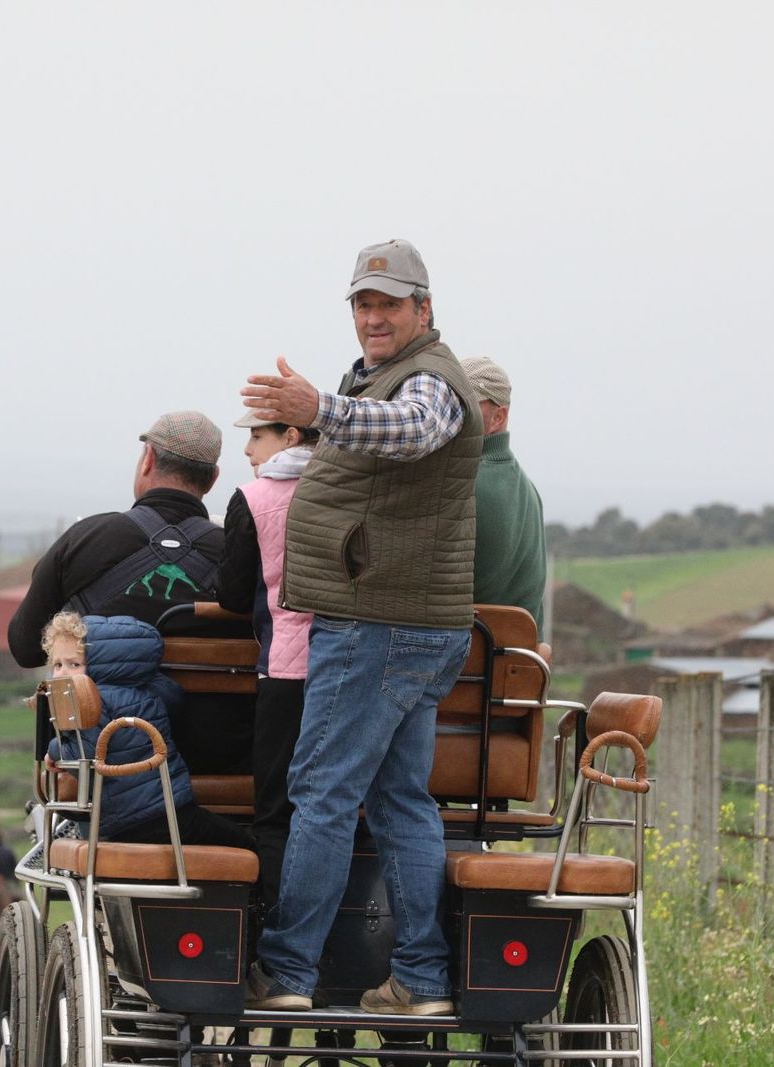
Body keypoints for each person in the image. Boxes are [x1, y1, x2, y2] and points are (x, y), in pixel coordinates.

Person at [238, 238, 482, 1016]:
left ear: (425, 307)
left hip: (376, 621)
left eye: (389, 303)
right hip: (405, 620)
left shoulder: (432, 383)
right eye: (363, 303)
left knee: (321, 792)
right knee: (401, 799)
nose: (374, 317)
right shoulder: (386, 373)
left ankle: (288, 974)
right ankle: (421, 977)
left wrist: (319, 412)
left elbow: (410, 431)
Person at [7, 411, 230, 669]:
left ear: (148, 459)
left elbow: (25, 648)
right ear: (213, 479)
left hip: (101, 708)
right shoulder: (238, 553)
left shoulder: (83, 539)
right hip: (218, 708)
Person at [215, 411, 318, 907]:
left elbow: (233, 594)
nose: (248, 450)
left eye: (257, 437)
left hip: (286, 671)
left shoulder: (252, 499)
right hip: (353, 665)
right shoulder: (351, 489)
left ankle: (283, 945)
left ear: (291, 437)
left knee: (275, 811)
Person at [41, 612, 254, 850]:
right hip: (169, 810)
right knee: (242, 842)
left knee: (234, 842)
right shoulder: (146, 690)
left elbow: (85, 754)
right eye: (57, 665)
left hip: (126, 820)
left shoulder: (91, 701)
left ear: (103, 663)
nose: (62, 673)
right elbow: (174, 697)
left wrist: (54, 750)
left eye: (74, 664)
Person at [461, 356, 547, 630]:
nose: (450, 413)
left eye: (465, 405)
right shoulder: (528, 489)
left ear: (499, 416)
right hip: (515, 664)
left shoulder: (461, 485)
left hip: (467, 665)